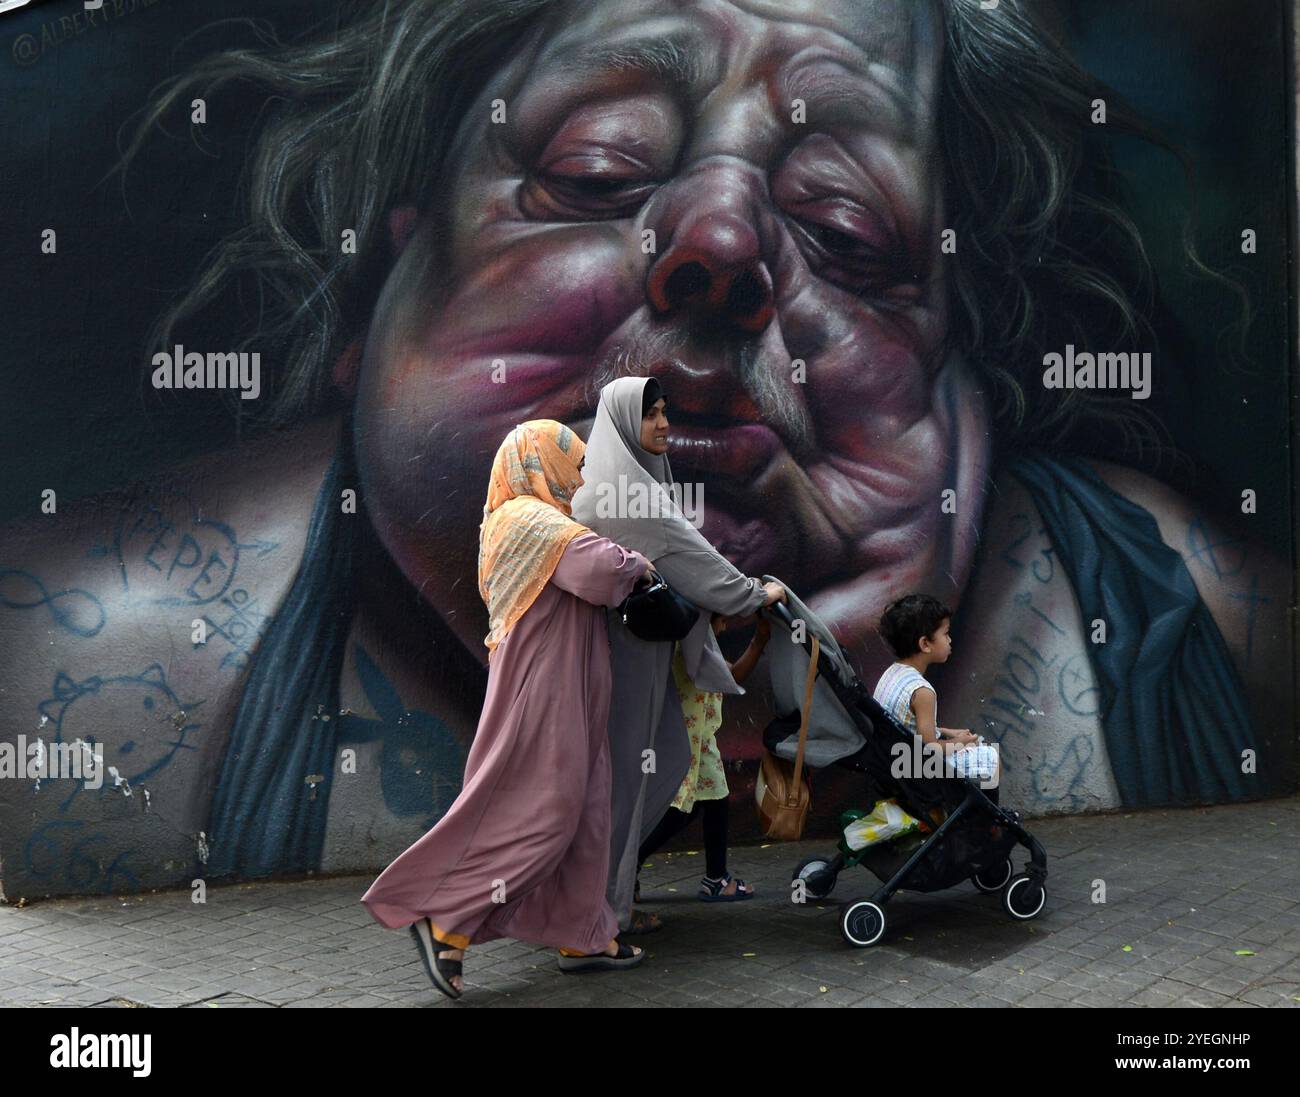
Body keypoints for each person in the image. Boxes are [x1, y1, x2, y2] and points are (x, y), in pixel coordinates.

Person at [359, 420, 653, 999]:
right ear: (537, 463)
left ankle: (584, 935)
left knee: (588, 812)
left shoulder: (532, 521)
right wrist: (641, 561)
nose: (581, 476)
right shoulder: (529, 519)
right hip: (544, 691)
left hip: (571, 689)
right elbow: (603, 571)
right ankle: (445, 915)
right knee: (548, 816)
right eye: (572, 464)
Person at [570, 376, 786, 933]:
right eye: (650, 416)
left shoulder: (603, 484)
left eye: (665, 412)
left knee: (656, 769)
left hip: (624, 661)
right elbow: (696, 559)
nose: (664, 424)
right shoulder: (634, 498)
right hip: (631, 665)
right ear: (622, 423)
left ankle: (608, 905)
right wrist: (756, 595)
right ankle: (597, 919)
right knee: (636, 781)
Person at [637, 610, 770, 903]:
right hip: (685, 742)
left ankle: (716, 878)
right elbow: (733, 675)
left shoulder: (691, 643)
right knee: (680, 809)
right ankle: (627, 865)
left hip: (701, 739)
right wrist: (759, 641)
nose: (723, 627)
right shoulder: (691, 646)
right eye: (721, 620)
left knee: (714, 799)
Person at [873, 594, 1001, 799]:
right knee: (991, 758)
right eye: (946, 634)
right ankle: (987, 821)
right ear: (925, 644)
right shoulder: (922, 691)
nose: (950, 640)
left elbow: (904, 726)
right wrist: (962, 743)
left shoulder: (891, 674)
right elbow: (930, 749)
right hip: (913, 770)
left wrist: (947, 732)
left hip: (893, 763)